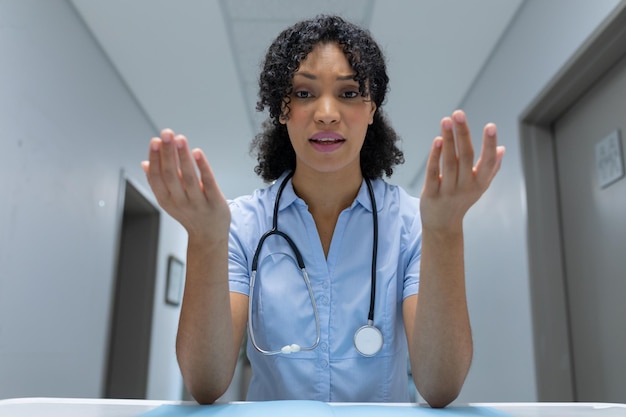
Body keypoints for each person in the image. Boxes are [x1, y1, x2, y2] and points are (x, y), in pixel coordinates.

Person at [142, 15, 504, 408]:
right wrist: (205, 239)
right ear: (281, 109)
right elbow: (205, 383)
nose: (327, 112)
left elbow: (441, 385)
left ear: (372, 109)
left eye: (349, 93)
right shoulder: (240, 225)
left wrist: (446, 230)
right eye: (303, 93)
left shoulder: (414, 224)